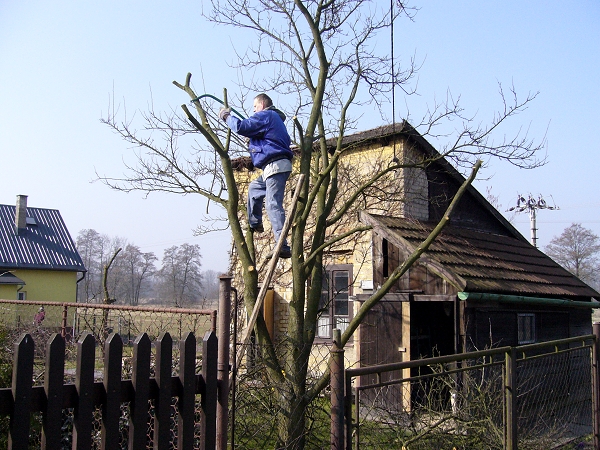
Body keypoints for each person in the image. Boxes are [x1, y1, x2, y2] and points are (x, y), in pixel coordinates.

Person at [220, 93, 293, 259]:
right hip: (272, 167)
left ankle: (282, 244)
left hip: (276, 165)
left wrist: (226, 116)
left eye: (254, 107)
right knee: (254, 187)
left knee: (273, 204)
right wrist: (252, 141)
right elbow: (268, 141)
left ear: (261, 104)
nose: (253, 111)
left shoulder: (267, 114)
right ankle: (255, 222)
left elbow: (240, 126)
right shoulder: (275, 120)